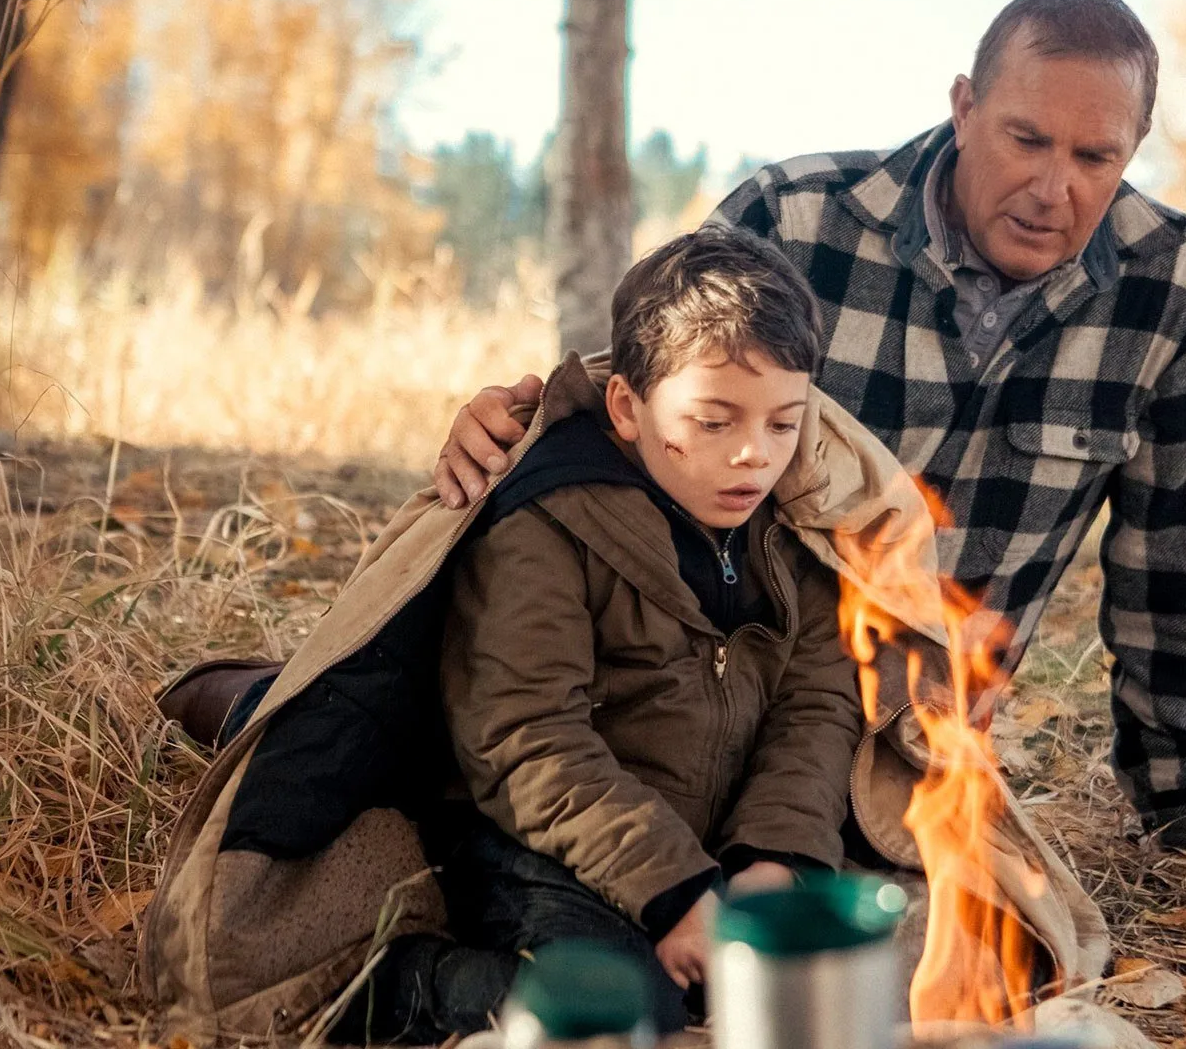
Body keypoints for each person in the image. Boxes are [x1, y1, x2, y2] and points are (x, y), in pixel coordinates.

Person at [433, 0, 1186, 884]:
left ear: (1134, 149)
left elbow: (1181, 576)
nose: (1052, 187)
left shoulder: (1176, 289)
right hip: (711, 717)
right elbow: (644, 406)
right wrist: (521, 425)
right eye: (1025, 138)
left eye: (1094, 156)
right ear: (963, 105)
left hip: (919, 762)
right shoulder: (793, 219)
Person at [143, 226, 1110, 1044]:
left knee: (930, 953)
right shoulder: (550, 523)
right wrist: (676, 893)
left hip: (714, 836)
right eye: (714, 419)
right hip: (542, 845)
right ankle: (399, 984)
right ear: (628, 408)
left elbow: (820, 708)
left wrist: (771, 862)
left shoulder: (806, 525)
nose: (751, 455)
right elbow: (524, 737)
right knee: (627, 1012)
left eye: (782, 423)